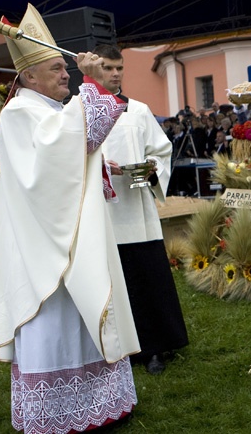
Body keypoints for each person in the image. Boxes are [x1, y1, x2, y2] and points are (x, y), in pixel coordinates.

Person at [0, 4, 139, 433]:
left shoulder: (47, 111)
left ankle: (97, 402)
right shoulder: (22, 112)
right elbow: (56, 161)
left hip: (64, 234)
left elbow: (77, 147)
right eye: (57, 69)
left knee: (80, 313)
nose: (66, 75)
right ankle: (57, 410)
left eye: (66, 69)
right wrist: (92, 83)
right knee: (55, 319)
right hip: (44, 246)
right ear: (29, 77)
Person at [94, 44, 189, 374]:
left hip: (136, 210)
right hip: (102, 213)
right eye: (107, 67)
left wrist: (151, 167)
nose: (115, 73)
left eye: (119, 67)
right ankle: (115, 348)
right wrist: (102, 168)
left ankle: (153, 348)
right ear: (93, 70)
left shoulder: (138, 111)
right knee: (111, 281)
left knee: (147, 277)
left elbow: (162, 150)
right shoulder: (80, 112)